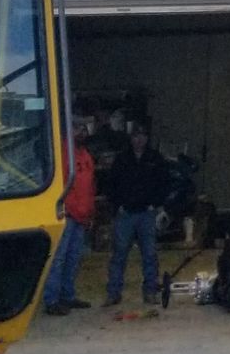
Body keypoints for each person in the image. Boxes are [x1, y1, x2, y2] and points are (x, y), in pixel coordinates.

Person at [103, 119, 172, 307]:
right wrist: (118, 205)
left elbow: (164, 183)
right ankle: (113, 293)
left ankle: (150, 292)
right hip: (125, 215)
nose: (139, 139)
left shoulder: (155, 159)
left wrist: (156, 204)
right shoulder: (122, 159)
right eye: (136, 136)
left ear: (147, 138)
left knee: (149, 255)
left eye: (142, 136)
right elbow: (111, 185)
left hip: (147, 214)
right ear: (131, 138)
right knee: (118, 255)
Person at [44, 115, 99, 314]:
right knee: (59, 258)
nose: (82, 133)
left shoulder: (85, 155)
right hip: (67, 214)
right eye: (77, 129)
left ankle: (67, 295)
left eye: (84, 129)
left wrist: (90, 211)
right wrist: (65, 206)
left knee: (74, 258)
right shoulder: (62, 153)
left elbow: (90, 185)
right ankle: (51, 299)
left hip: (82, 215)